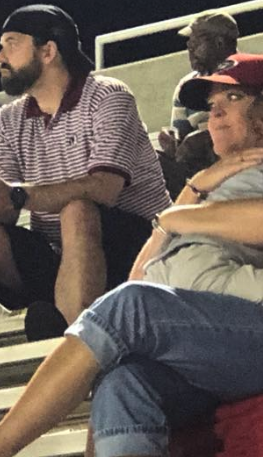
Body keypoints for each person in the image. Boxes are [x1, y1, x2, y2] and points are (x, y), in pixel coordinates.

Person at [0, 55, 263, 457]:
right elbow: (143, 273)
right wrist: (192, 191)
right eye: (211, 106)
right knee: (123, 382)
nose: (217, 113)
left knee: (129, 308)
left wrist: (179, 214)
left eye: (233, 97)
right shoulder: (214, 178)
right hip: (208, 342)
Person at [0, 5, 171, 340]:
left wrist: (18, 195)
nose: (1, 54)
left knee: (77, 210)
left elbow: (104, 188)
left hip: (138, 249)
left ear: (48, 51)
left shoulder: (108, 95)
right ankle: (59, 317)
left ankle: (79, 344)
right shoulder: (9, 119)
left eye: (11, 42)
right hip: (61, 255)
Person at [157, 10, 239, 195]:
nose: (190, 49)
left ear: (219, 42)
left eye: (196, 43)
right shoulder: (187, 85)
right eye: (189, 44)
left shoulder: (247, 74)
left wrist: (207, 138)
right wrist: (173, 144)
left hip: (238, 163)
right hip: (197, 172)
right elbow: (183, 137)